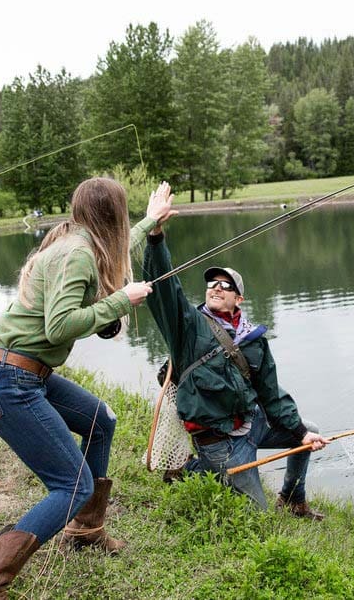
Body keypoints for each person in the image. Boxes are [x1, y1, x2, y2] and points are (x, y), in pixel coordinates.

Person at [0, 178, 175, 599]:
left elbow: (117, 247)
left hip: (20, 372)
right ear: (110, 215)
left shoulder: (80, 243)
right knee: (71, 485)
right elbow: (58, 325)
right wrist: (121, 300)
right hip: (5, 379)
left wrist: (152, 220)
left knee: (100, 419)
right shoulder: (77, 255)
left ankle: (86, 530)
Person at [142, 220, 331, 520]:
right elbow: (165, 289)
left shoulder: (255, 341)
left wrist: (300, 432)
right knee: (257, 515)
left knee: (309, 431)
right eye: (211, 283)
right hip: (220, 442)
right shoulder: (187, 328)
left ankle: (293, 500)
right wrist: (155, 237)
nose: (216, 287)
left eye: (225, 285)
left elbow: (271, 396)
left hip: (253, 424)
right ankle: (188, 468)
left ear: (238, 299)